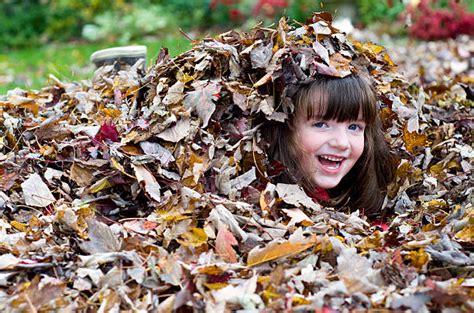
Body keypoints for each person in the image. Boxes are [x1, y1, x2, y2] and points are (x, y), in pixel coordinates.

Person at [263, 74, 396, 216]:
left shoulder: (371, 214)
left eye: (353, 127)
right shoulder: (264, 204)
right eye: (321, 125)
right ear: (288, 122)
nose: (341, 143)